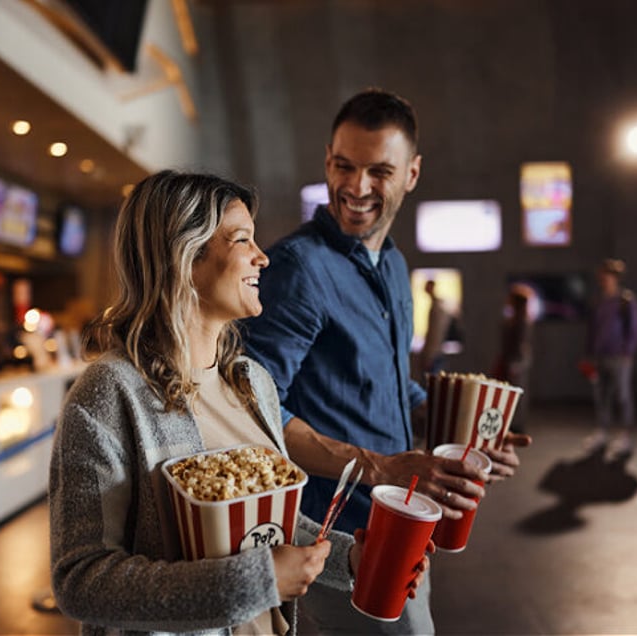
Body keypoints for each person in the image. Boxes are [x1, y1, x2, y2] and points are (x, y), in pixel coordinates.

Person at [49, 170, 428, 636]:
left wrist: (349, 557)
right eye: (242, 239)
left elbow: (269, 526)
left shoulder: (253, 382)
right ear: (183, 256)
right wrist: (258, 581)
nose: (262, 257)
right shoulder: (109, 392)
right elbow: (80, 581)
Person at [241, 88, 531, 635]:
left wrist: (470, 437)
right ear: (327, 159)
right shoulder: (298, 268)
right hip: (337, 539)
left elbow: (394, 384)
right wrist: (382, 467)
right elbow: (253, 412)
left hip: (405, 527)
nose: (356, 187)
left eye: (380, 171)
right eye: (344, 166)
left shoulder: (395, 264)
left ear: (412, 173)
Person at [582, 257, 637, 458]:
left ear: (615, 277)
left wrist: (627, 353)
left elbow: (633, 330)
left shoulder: (626, 300)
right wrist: (589, 355)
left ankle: (625, 435)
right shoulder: (599, 301)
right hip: (599, 357)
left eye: (607, 276)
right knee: (601, 396)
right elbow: (592, 330)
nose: (604, 279)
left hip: (619, 358)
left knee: (622, 397)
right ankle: (603, 432)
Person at [492, 284, 534, 433]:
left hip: (516, 362)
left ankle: (517, 424)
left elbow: (521, 345)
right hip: (509, 360)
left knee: (517, 394)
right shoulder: (514, 319)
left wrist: (516, 364)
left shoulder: (522, 321)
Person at [418, 279, 453, 379]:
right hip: (435, 352)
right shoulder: (438, 305)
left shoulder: (437, 307)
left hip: (434, 353)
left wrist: (429, 355)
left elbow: (435, 333)